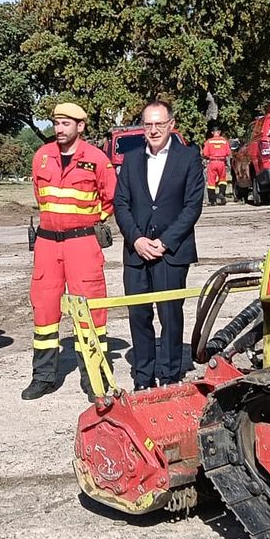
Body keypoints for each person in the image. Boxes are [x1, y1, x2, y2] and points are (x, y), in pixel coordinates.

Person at [24, 102, 116, 400]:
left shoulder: (97, 159)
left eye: (66, 123)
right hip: (47, 243)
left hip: (82, 242)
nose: (59, 129)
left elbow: (110, 198)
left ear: (81, 126)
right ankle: (44, 376)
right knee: (44, 307)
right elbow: (41, 195)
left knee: (90, 308)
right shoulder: (42, 157)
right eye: (56, 123)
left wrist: (89, 222)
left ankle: (94, 379)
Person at [115, 101, 205, 391]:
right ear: (142, 127)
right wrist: (136, 239)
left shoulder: (188, 157)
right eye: (148, 124)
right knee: (139, 316)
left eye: (159, 124)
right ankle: (143, 378)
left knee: (170, 315)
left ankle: (169, 376)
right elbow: (121, 204)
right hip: (136, 252)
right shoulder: (130, 160)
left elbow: (192, 207)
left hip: (172, 252)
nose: (153, 130)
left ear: (170, 124)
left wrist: (165, 242)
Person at [202, 125, 232, 206]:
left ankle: (212, 201)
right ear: (219, 132)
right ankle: (221, 194)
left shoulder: (209, 142)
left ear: (212, 133)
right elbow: (228, 153)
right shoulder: (224, 141)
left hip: (212, 162)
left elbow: (205, 153)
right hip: (221, 162)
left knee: (211, 182)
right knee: (222, 179)